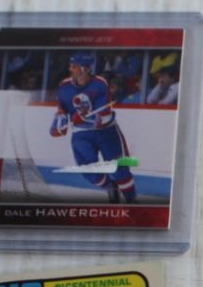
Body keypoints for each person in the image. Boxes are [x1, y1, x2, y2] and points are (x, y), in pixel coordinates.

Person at [51, 52, 138, 202]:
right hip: (81, 135)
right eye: (71, 66)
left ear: (85, 69)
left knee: (120, 170)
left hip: (107, 132)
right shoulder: (64, 86)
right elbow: (62, 109)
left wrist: (83, 117)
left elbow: (103, 117)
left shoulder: (100, 84)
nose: (70, 69)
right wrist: (58, 124)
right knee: (88, 171)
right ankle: (111, 187)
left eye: (74, 66)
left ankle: (132, 202)